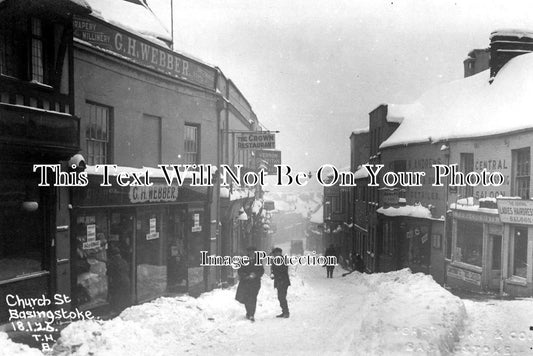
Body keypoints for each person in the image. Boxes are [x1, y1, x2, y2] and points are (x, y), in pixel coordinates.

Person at [235, 247, 264, 322]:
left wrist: (255, 275)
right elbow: (240, 271)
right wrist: (246, 276)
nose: (252, 253)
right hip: (246, 283)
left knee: (253, 298)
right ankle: (249, 312)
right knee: (246, 298)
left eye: (253, 252)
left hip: (255, 283)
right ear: (248, 252)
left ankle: (251, 314)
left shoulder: (258, 260)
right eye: (250, 252)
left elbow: (261, 270)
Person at [270, 247, 290, 318]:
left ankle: (286, 312)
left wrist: (277, 275)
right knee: (280, 297)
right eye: (274, 253)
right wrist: (272, 274)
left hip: (283, 281)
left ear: (279, 253)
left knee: (282, 297)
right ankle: (284, 311)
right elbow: (273, 269)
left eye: (276, 253)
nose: (275, 255)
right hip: (279, 281)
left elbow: (283, 270)